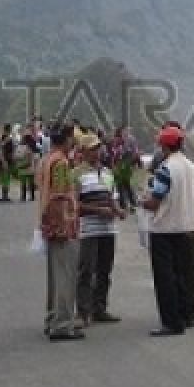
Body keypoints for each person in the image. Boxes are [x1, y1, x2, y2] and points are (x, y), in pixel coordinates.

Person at [142, 125, 194, 336]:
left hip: (164, 228)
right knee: (182, 274)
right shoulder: (189, 165)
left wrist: (142, 201)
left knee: (165, 277)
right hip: (186, 226)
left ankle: (171, 322)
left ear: (164, 145)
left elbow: (155, 201)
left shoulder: (165, 169)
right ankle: (185, 315)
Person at [74, 130, 125, 326]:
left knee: (105, 270)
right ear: (84, 151)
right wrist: (97, 210)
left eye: (98, 148)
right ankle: (82, 311)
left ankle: (100, 308)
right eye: (93, 149)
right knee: (86, 270)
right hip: (88, 229)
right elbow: (74, 205)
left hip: (108, 229)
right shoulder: (76, 174)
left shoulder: (107, 173)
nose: (97, 152)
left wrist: (118, 211)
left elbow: (112, 199)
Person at [39, 123, 82, 341]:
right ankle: (63, 323)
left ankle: (53, 317)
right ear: (65, 139)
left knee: (55, 276)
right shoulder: (62, 163)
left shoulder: (47, 160)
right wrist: (63, 225)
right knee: (66, 275)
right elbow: (60, 195)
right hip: (62, 223)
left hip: (49, 222)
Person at [15, 125, 39, 202]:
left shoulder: (20, 146)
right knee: (31, 181)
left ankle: (23, 196)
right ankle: (32, 196)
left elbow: (16, 156)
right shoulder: (32, 146)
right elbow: (34, 156)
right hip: (29, 165)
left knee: (23, 182)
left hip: (22, 166)